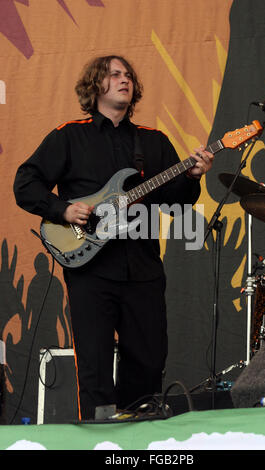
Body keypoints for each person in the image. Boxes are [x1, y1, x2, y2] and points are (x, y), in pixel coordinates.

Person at [14, 55, 214, 421]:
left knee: (150, 360)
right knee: (95, 365)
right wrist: (63, 210)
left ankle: (138, 436)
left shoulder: (154, 143)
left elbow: (177, 205)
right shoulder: (69, 135)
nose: (124, 80)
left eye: (128, 76)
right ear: (96, 86)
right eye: (114, 75)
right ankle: (100, 440)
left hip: (143, 267)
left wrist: (193, 176)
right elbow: (25, 184)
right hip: (90, 269)